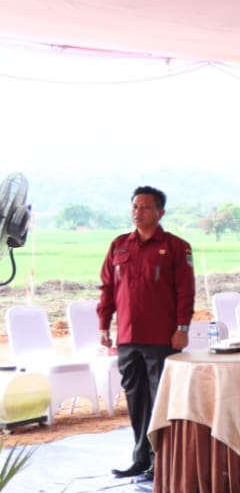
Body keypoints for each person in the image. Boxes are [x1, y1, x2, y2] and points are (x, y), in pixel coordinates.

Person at [97, 186, 194, 478]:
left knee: (160, 400)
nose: (138, 212)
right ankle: (140, 457)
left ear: (160, 212)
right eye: (135, 207)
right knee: (136, 399)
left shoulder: (176, 247)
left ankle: (161, 460)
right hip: (128, 337)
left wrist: (182, 328)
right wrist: (103, 324)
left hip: (162, 338)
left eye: (145, 207)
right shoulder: (119, 246)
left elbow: (185, 291)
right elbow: (108, 289)